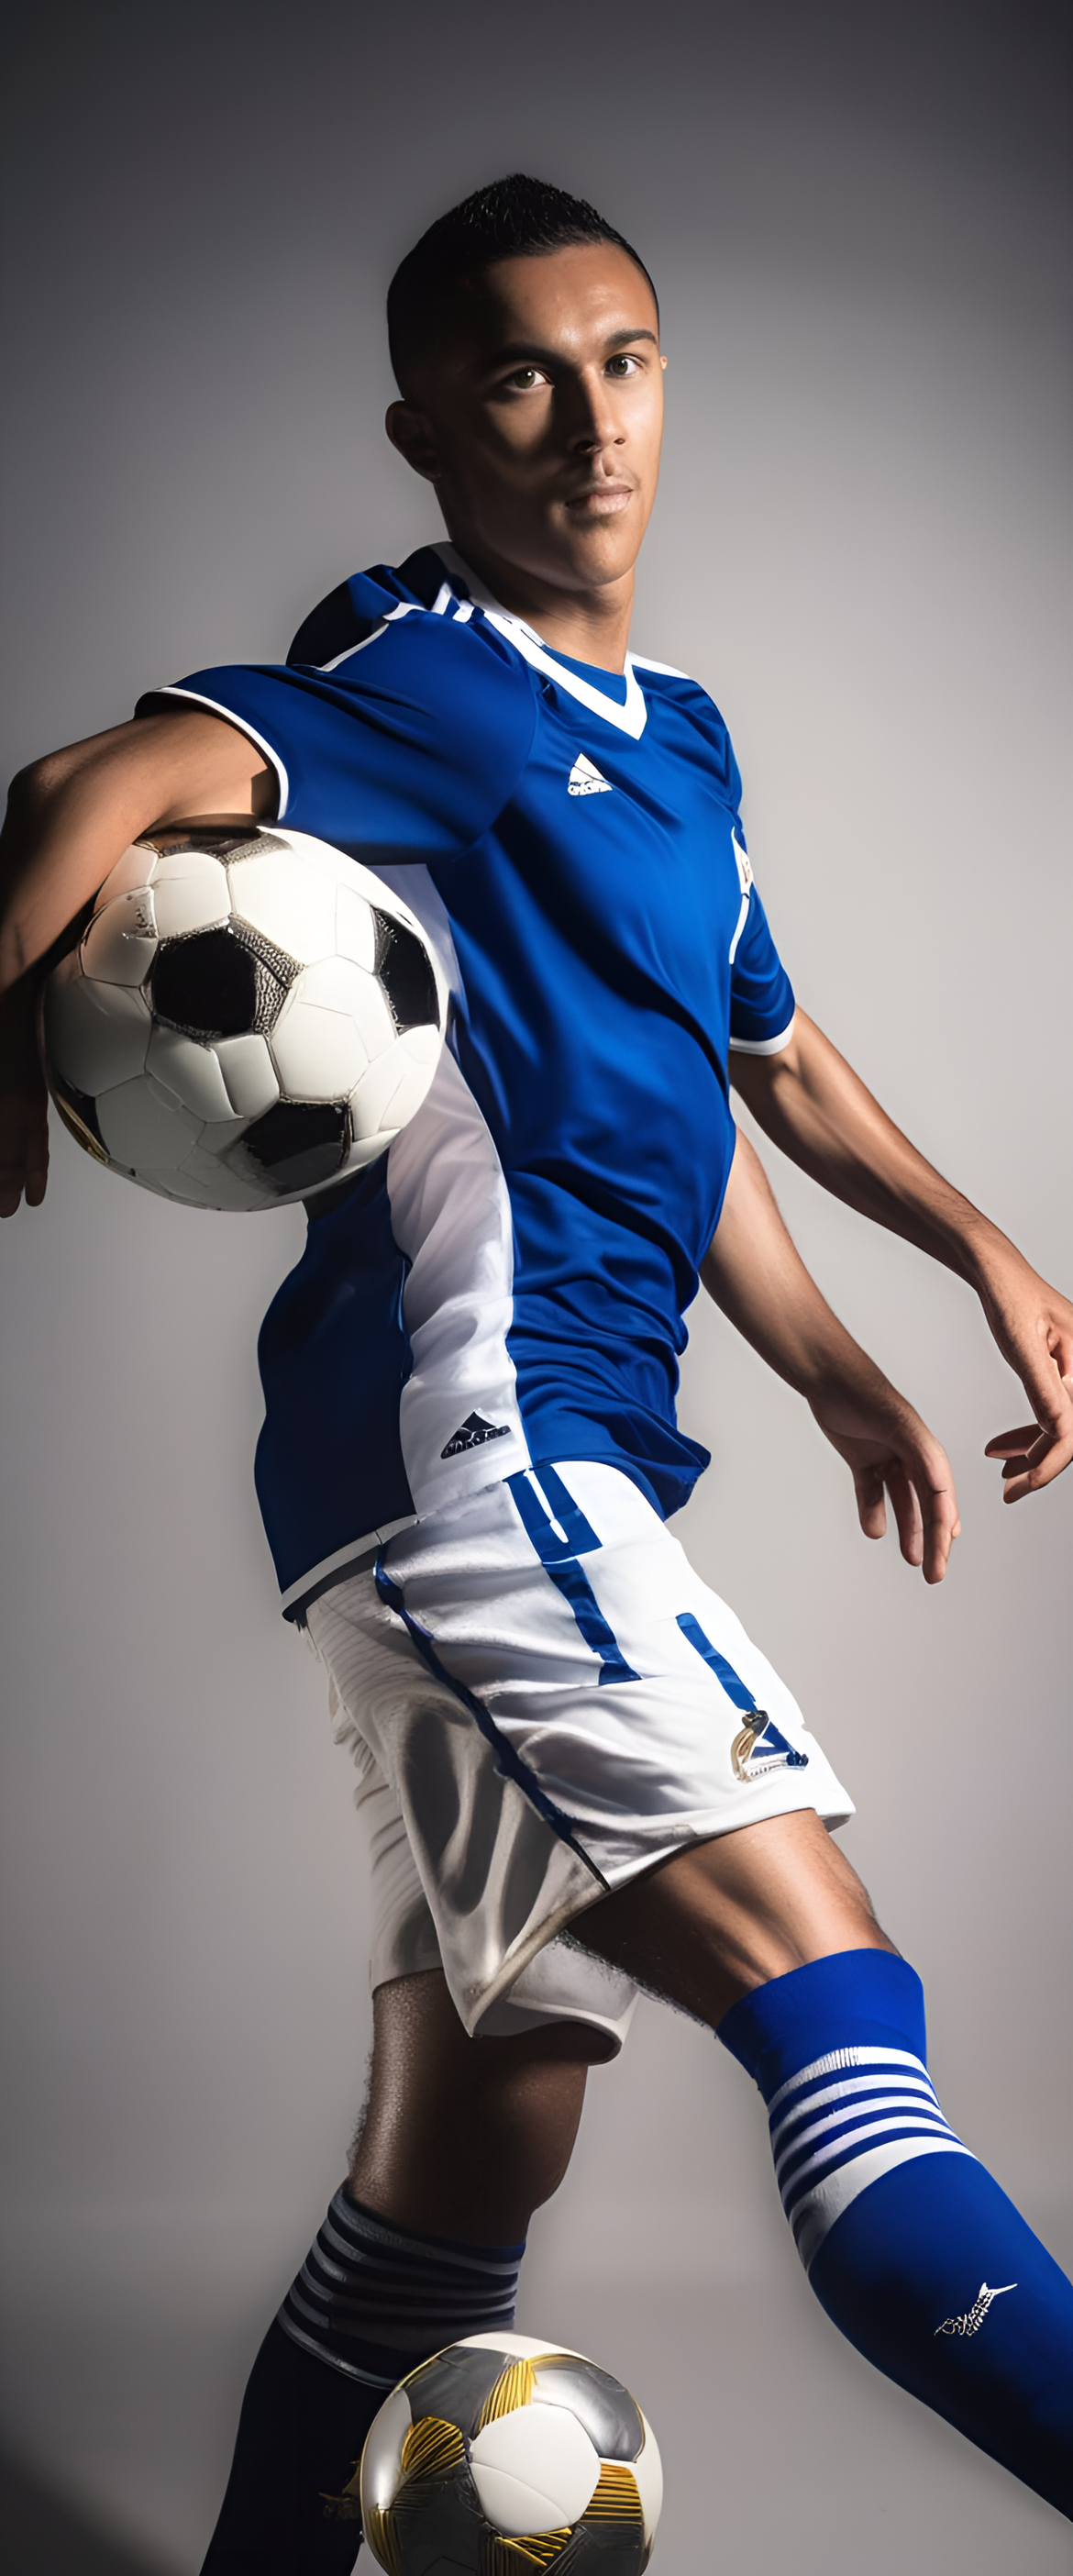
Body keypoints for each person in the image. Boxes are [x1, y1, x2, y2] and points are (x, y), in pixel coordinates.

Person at [1, 174, 1070, 2565]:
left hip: (489, 1482)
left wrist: (899, 1317)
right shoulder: (421, 680)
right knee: (840, 2003)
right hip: (481, 1455)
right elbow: (85, 791)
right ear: (425, 423)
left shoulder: (672, 741)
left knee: (469, 2154)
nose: (588, 425)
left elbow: (742, 1074)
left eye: (627, 362)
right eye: (518, 373)